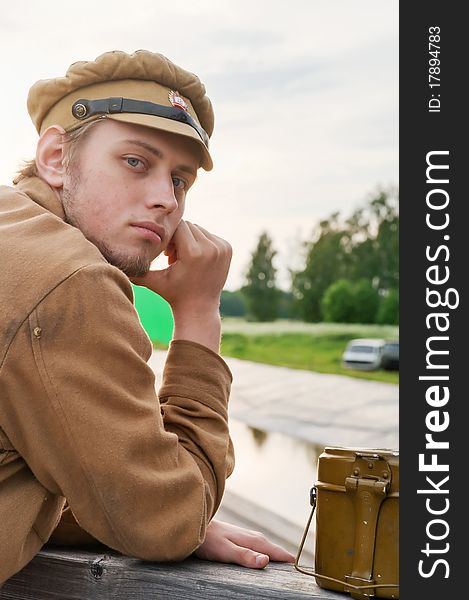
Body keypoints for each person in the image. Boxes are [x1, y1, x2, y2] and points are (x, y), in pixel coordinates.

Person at [0, 49, 294, 584]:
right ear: (56, 157)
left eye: (180, 181)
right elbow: (170, 522)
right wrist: (201, 314)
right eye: (136, 162)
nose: (165, 199)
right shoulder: (70, 279)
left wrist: (120, 506)